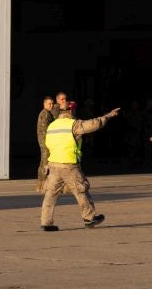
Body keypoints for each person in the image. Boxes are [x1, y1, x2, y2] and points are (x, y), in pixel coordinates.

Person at [40, 99, 120, 231]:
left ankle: (46, 223)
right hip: (69, 165)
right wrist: (108, 116)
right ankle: (89, 218)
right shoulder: (73, 124)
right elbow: (94, 124)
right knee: (81, 190)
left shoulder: (52, 126)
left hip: (54, 164)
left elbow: (47, 145)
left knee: (50, 194)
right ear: (70, 111)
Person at [34, 96, 57, 192]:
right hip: (46, 142)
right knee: (45, 162)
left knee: (44, 162)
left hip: (47, 141)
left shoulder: (48, 113)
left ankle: (42, 184)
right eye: (49, 103)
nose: (51, 105)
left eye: (52, 103)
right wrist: (48, 144)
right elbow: (45, 131)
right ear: (44, 104)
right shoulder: (45, 114)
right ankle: (42, 184)